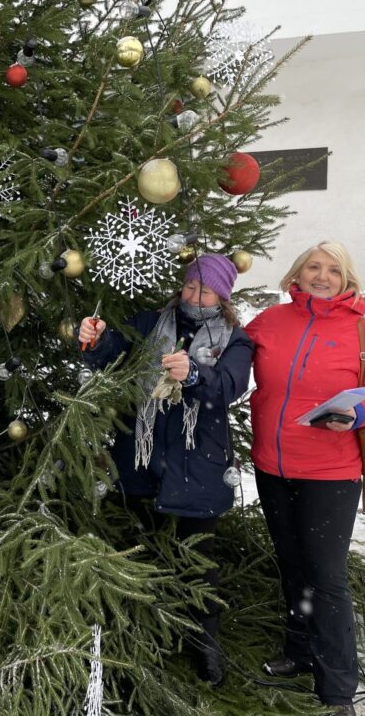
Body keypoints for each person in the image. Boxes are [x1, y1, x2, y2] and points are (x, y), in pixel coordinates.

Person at [244, 241, 365, 716]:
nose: (322, 276)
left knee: (327, 578)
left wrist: (358, 413)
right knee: (292, 566)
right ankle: (298, 652)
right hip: (273, 467)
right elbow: (225, 356)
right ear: (297, 274)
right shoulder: (269, 322)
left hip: (330, 474)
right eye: (313, 267)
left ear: (346, 279)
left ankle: (337, 690)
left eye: (333, 270)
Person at [77, 253, 253, 687]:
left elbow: (229, 387)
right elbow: (112, 356)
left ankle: (204, 644)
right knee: (139, 549)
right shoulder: (151, 322)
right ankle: (138, 639)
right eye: (190, 285)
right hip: (141, 454)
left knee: (199, 559)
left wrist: (194, 374)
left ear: (222, 295)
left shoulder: (236, 339)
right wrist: (96, 339)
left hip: (200, 461)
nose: (194, 295)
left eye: (205, 289)